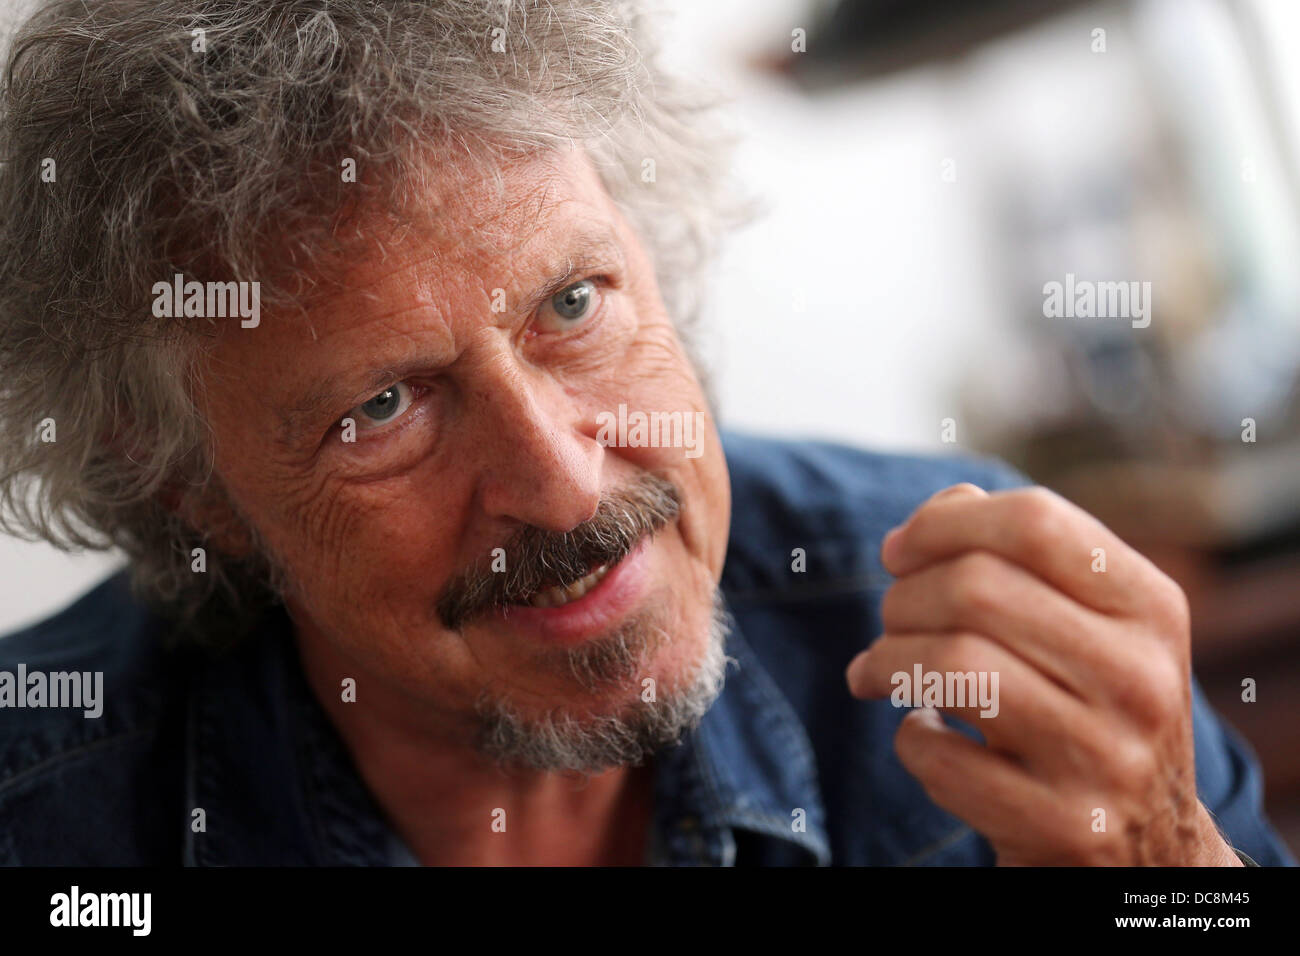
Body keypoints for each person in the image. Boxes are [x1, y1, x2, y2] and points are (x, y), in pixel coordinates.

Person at [0, 0, 1291, 866]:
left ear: (655, 261)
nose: (562, 488)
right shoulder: (45, 810)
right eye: (380, 408)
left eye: (572, 305)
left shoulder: (974, 625)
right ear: (187, 487)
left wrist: (1169, 866)